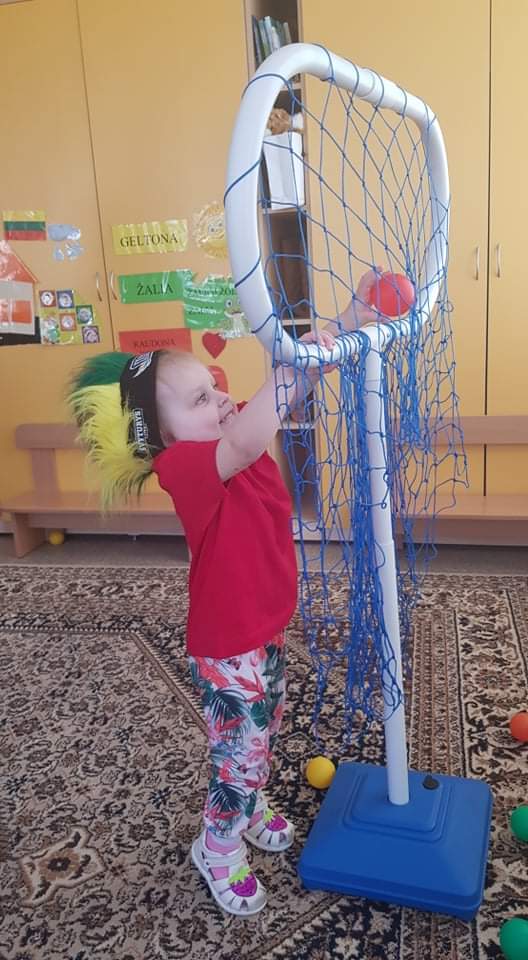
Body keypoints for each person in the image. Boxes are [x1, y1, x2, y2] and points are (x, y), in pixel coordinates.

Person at [67, 269, 381, 917]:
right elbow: (246, 436)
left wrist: (345, 323)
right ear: (161, 436)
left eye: (214, 388)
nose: (220, 399)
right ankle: (217, 845)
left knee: (267, 725)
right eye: (199, 400)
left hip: (262, 625)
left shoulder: (225, 441)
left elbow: (276, 404)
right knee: (240, 748)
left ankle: (251, 797)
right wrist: (289, 372)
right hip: (226, 643)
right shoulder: (183, 467)